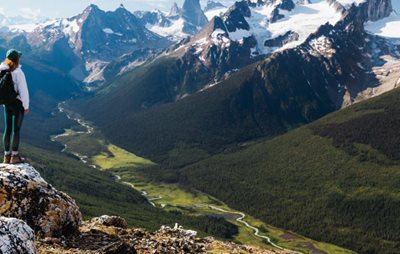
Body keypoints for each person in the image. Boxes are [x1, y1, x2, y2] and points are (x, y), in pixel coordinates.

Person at [0, 49, 29, 164]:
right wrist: (25, 106)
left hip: (6, 103)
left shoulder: (2, 69)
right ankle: (15, 156)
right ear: (17, 59)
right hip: (17, 104)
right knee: (16, 130)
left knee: (7, 130)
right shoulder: (18, 72)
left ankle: (6, 156)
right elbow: (23, 91)